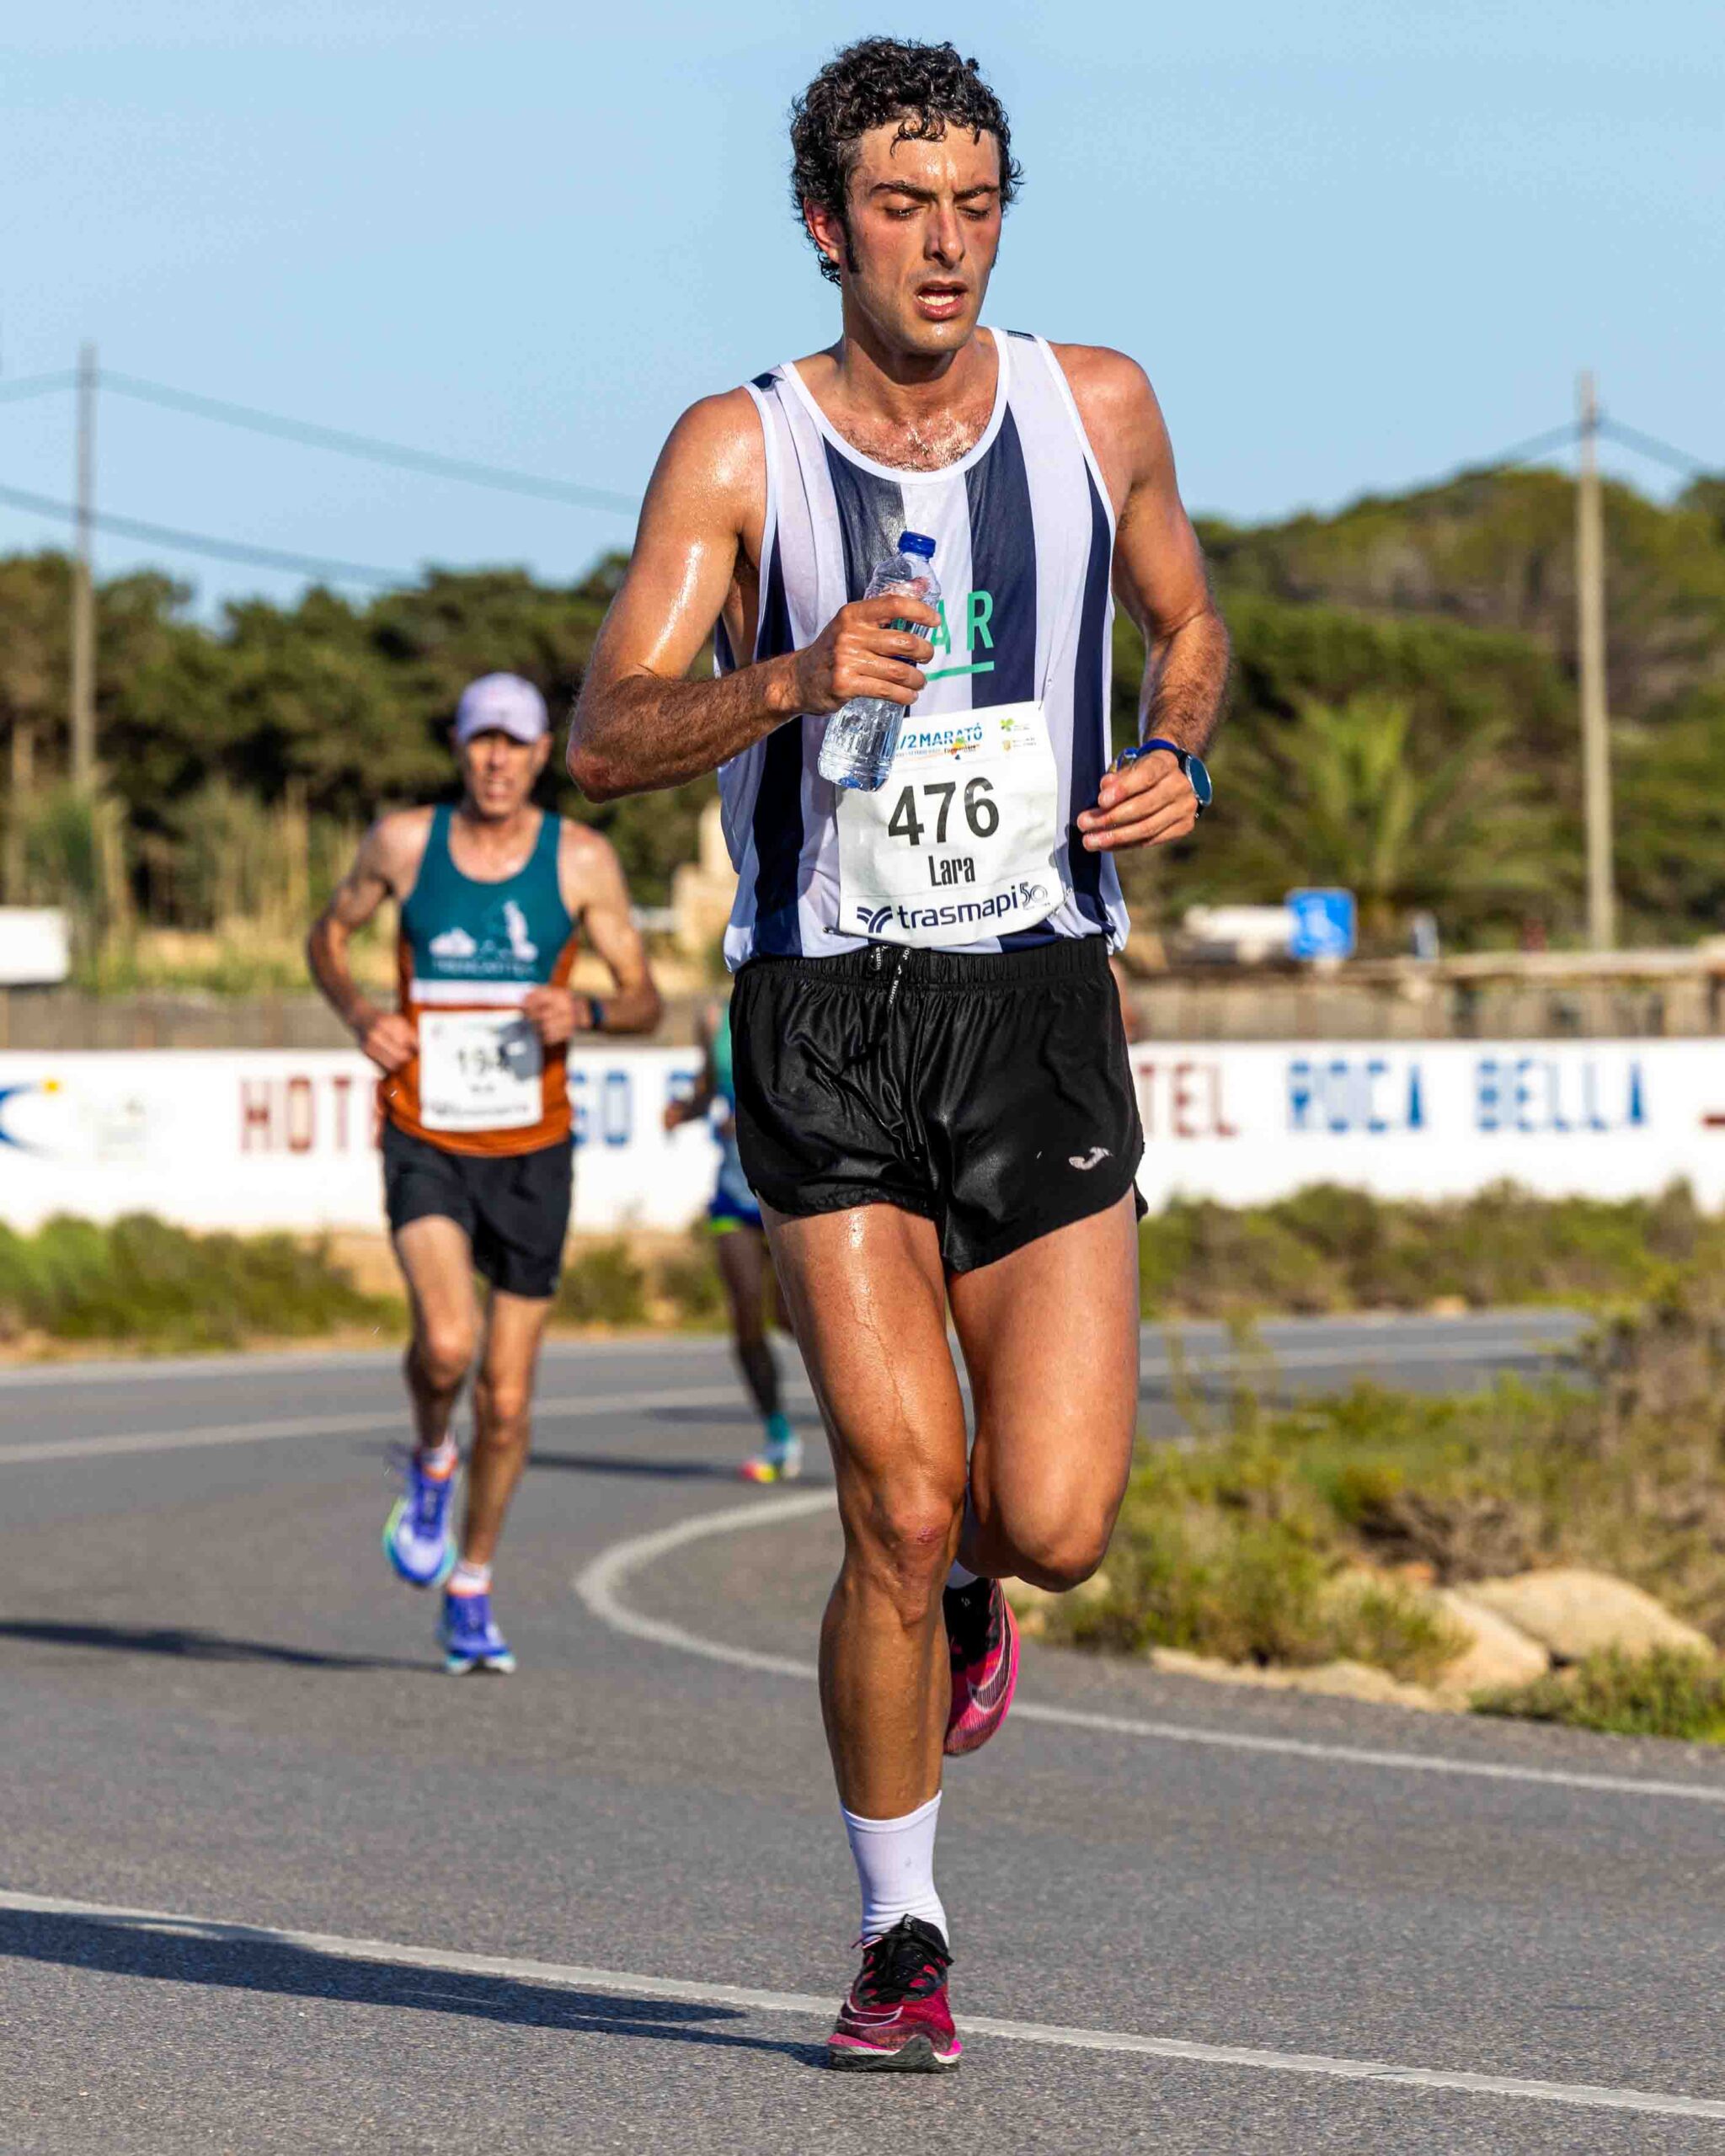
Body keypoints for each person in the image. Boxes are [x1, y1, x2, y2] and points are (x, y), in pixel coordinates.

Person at [569, 39, 1227, 2069]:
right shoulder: (738, 449)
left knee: (1053, 1519)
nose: (942, 245)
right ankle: (898, 1935)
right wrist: (788, 674)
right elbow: (604, 731)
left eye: (973, 206)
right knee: (899, 1494)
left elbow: (1189, 622)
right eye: (898, 206)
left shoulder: (1094, 403)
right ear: (823, 225)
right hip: (826, 1012)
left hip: (1037, 1003)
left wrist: (1175, 751)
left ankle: (969, 1599)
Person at [309, 671, 660, 1673]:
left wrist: (584, 1010)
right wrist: (361, 1013)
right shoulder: (402, 843)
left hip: (532, 1149)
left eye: (515, 742)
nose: (497, 759)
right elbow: (326, 934)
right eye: (481, 741)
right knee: (447, 1344)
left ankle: (471, 1582)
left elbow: (644, 998)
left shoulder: (580, 859)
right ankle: (431, 1459)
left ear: (544, 753)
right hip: (425, 1131)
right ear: (460, 749)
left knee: (506, 1398)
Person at [663, 1001, 802, 1482]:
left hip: (790, 1187)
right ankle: (779, 1437)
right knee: (746, 1318)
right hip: (733, 1190)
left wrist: (757, 1116)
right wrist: (685, 1110)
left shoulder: (794, 996)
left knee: (792, 1316)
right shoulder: (711, 1018)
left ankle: (866, 1411)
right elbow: (708, 1090)